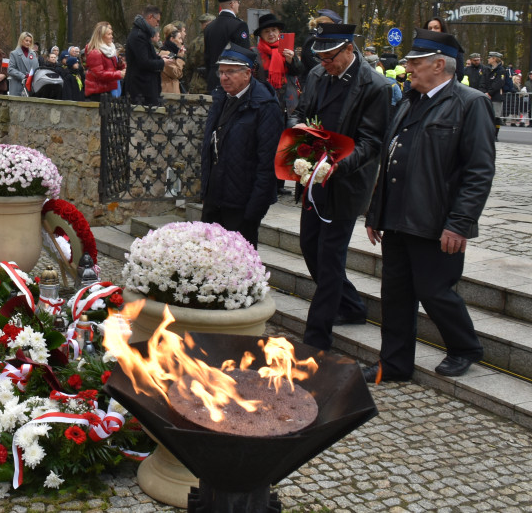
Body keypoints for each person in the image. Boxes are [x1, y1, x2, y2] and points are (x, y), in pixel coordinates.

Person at [363, 29, 494, 383]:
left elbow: (478, 170)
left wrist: (460, 222)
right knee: (395, 297)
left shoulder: (470, 102)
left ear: (440, 65)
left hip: (436, 221)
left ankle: (464, 346)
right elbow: (390, 162)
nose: (407, 68)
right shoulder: (408, 102)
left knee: (436, 293)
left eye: (414, 62)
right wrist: (377, 213)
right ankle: (393, 364)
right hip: (397, 219)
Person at [287, 22, 391, 352]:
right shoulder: (318, 75)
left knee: (330, 257)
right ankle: (352, 306)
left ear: (349, 49)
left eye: (330, 57)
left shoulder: (375, 86)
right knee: (309, 246)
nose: (324, 63)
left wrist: (335, 166)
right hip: (314, 176)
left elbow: (372, 141)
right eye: (319, 57)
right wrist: (298, 130)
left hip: (345, 181)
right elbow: (300, 113)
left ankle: (316, 338)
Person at [199, 44, 283, 247]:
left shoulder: (264, 106)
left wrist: (254, 211)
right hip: (215, 197)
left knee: (238, 266)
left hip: (242, 204)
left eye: (230, 72)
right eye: (221, 72)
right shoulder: (221, 97)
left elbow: (268, 163)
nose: (223, 77)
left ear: (247, 73)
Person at [253, 12, 304, 120]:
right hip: (265, 104)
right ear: (261, 35)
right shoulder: (255, 53)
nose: (271, 34)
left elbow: (298, 71)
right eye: (266, 31)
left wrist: (291, 60)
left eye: (274, 30)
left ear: (279, 31)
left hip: (290, 104)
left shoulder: (287, 49)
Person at [203, 0, 251, 92]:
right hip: (232, 79)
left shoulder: (209, 27)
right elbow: (244, 56)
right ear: (232, 4)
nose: (239, 5)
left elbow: (207, 56)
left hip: (213, 78)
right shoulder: (239, 25)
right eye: (238, 2)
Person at [124, 5, 170, 106]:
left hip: (145, 85)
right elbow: (143, 62)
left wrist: (159, 58)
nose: (157, 24)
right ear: (150, 17)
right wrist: (162, 62)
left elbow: (146, 57)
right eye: (157, 21)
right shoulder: (139, 36)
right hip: (140, 87)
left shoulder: (143, 34)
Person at [84, 21, 125, 102]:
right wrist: (119, 74)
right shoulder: (95, 53)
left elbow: (111, 67)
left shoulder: (109, 50)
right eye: (109, 34)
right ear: (101, 36)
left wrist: (120, 65)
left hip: (107, 89)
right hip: (98, 92)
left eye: (111, 34)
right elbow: (100, 74)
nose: (111, 36)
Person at [300, 9, 341, 74]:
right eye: (333, 26)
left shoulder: (321, 38)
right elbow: (315, 65)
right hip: (313, 80)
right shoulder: (313, 40)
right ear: (324, 24)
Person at [183, 13, 214, 94]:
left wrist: (189, 83)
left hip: (195, 83)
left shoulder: (193, 42)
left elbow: (187, 67)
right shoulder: (216, 41)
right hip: (212, 83)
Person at [160, 22, 186, 95]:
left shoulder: (173, 53)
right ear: (172, 39)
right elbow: (176, 73)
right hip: (168, 93)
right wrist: (180, 58)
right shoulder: (165, 54)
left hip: (172, 91)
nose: (181, 41)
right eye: (179, 38)